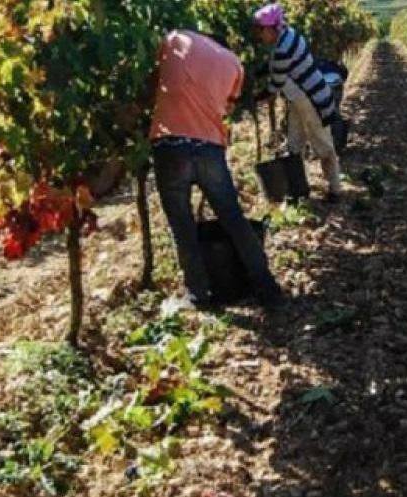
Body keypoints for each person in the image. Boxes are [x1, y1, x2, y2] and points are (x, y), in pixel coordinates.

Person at [147, 29, 283, 308]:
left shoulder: (175, 39)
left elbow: (156, 80)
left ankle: (199, 295)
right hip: (209, 146)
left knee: (182, 226)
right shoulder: (234, 63)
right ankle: (266, 286)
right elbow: (227, 108)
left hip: (170, 145)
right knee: (233, 218)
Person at [253, 3, 344, 203]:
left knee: (322, 143)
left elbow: (275, 83)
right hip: (298, 98)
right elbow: (278, 67)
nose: (259, 36)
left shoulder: (282, 48)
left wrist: (258, 96)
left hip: (310, 98)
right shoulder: (289, 34)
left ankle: (335, 189)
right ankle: (297, 188)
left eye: (260, 30)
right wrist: (262, 70)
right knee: (294, 141)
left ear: (271, 28)